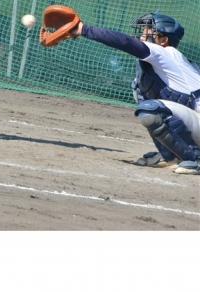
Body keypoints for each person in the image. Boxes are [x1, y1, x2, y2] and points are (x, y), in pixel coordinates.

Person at [69, 12, 200, 175]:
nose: (143, 34)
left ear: (164, 40)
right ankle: (171, 156)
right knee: (141, 93)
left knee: (151, 109)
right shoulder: (159, 66)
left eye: (149, 31)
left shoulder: (166, 53)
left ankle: (195, 158)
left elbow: (124, 41)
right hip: (195, 121)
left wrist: (83, 29)